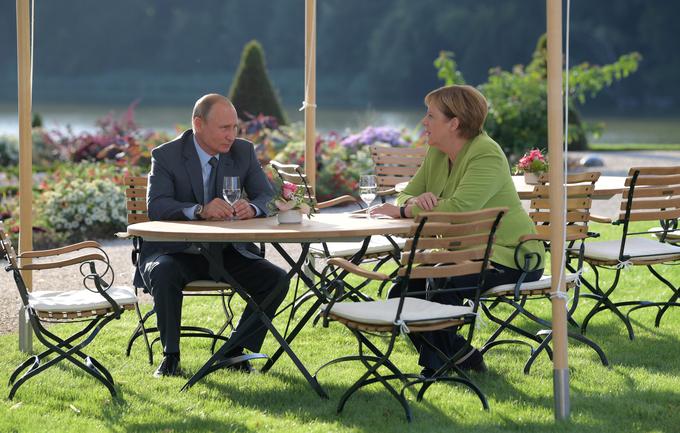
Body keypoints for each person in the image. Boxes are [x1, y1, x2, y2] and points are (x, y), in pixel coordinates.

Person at [371, 84, 545, 376]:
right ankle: (463, 356)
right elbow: (403, 193)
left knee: (442, 282)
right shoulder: (437, 152)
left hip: (511, 256)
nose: (423, 122)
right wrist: (414, 200)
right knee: (402, 289)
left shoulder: (486, 154)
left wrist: (405, 210)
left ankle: (435, 368)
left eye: (430, 116)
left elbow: (460, 209)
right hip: (463, 254)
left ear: (454, 123)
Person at [133, 93, 290, 377]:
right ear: (198, 124)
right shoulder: (166, 155)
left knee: (276, 280)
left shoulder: (243, 152)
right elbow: (156, 206)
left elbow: (268, 196)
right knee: (164, 272)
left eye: (235, 127)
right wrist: (199, 210)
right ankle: (170, 357)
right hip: (175, 252)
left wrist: (252, 208)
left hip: (226, 253)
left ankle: (234, 351)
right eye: (224, 128)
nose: (231, 136)